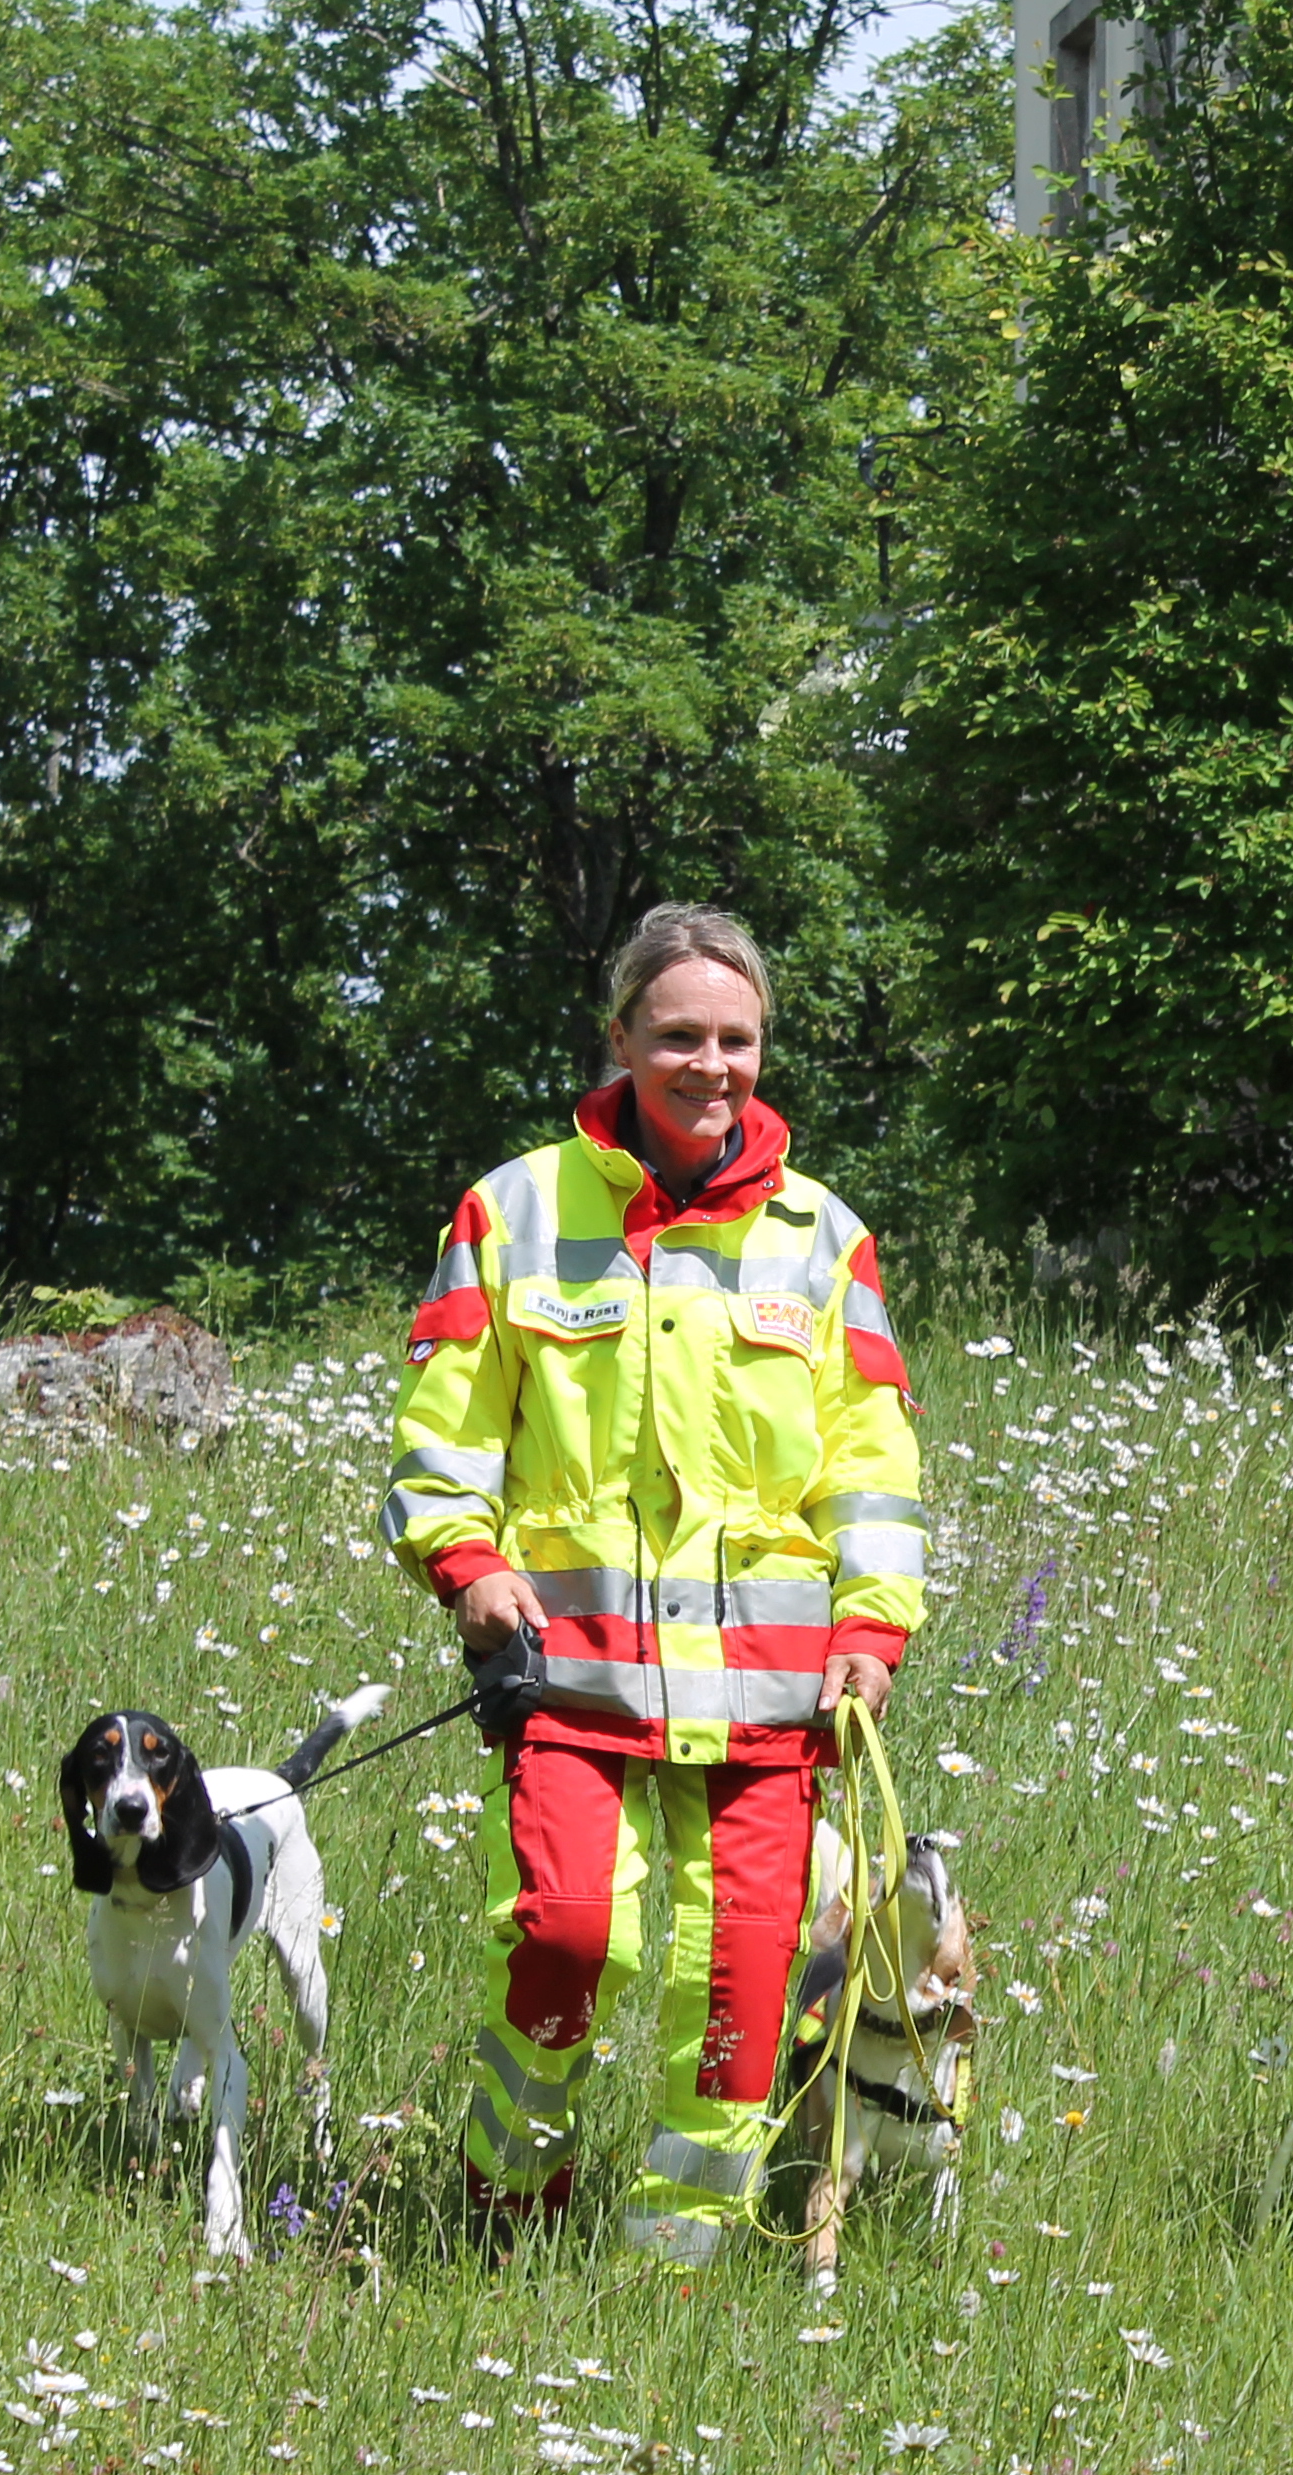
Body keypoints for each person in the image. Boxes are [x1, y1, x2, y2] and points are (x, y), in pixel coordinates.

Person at [379, 904, 927, 2269]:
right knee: (570, 1938)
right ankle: (506, 2209)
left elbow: (872, 1459)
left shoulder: (824, 1238)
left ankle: (672, 2268)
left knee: (740, 1986)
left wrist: (873, 1623)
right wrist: (467, 1564)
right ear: (619, 1037)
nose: (710, 1065)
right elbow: (443, 1433)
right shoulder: (510, 1209)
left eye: (736, 1039)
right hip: (573, 1668)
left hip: (771, 1692)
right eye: (678, 1035)